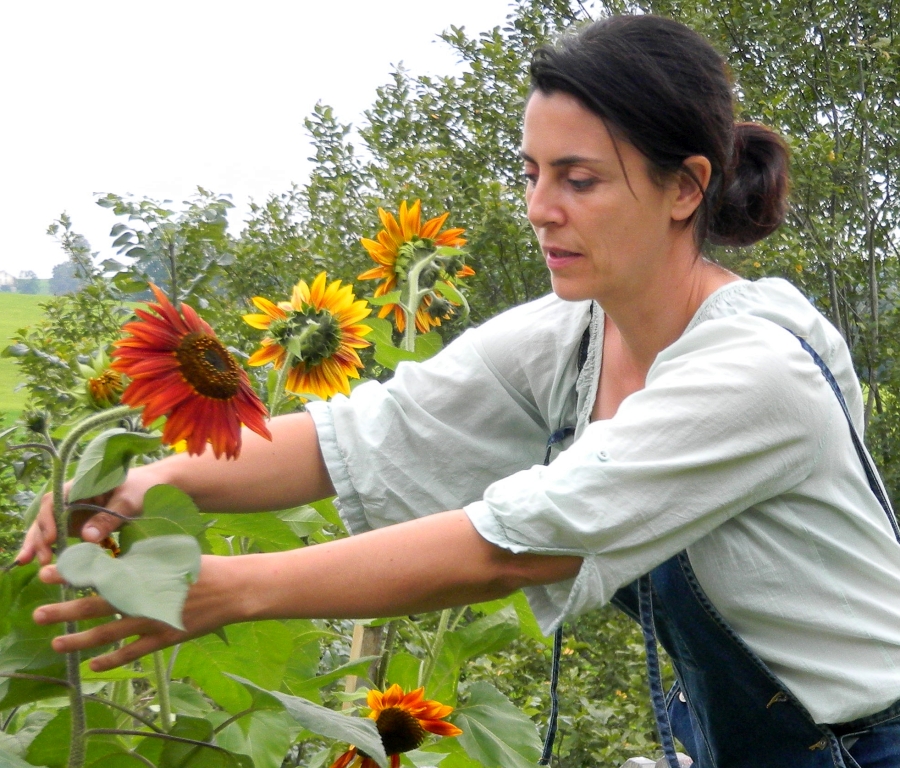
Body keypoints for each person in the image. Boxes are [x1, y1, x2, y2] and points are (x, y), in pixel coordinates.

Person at [18, 14, 900, 768]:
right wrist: (156, 482)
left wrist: (235, 588)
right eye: (532, 172)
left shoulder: (755, 371)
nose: (540, 207)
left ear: (685, 186)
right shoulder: (573, 336)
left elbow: (514, 548)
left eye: (579, 179)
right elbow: (352, 438)